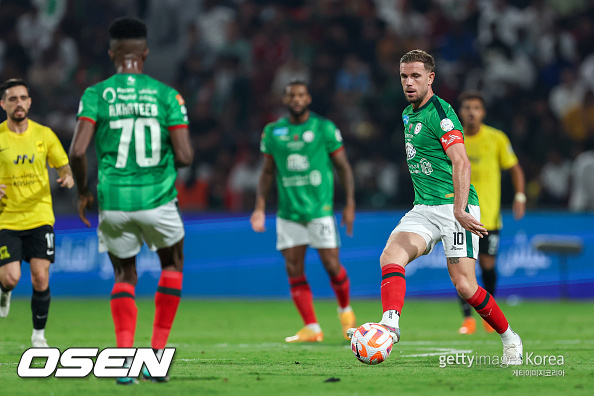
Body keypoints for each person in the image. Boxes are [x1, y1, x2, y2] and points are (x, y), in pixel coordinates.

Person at [347, 50, 523, 365]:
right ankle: (390, 325)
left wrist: (458, 209)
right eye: (404, 76)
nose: (408, 82)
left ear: (430, 78)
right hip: (424, 207)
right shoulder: (407, 113)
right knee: (391, 256)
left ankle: (510, 339)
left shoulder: (441, 114)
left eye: (416, 76)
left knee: (466, 286)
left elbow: (461, 161)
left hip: (455, 206)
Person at [69, 17, 193, 384]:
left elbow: (77, 151)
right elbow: (185, 157)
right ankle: (155, 357)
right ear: (145, 53)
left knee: (125, 274)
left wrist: (83, 191)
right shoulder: (167, 95)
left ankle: (123, 361)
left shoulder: (96, 94)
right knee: (172, 266)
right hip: (158, 198)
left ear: (112, 54)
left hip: (114, 201)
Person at [250, 80, 357, 343]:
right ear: (285, 100)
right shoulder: (273, 132)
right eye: (291, 96)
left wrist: (350, 203)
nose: (296, 99)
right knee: (293, 268)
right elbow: (266, 172)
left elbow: (343, 167)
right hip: (288, 213)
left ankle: (345, 312)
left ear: (308, 98)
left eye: (301, 95)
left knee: (332, 265)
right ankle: (311, 327)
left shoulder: (324, 128)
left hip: (319, 210)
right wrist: (260, 207)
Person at [0, 78, 74, 347]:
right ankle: (4, 290)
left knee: (40, 276)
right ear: (3, 104)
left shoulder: (44, 134)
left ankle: (39, 336)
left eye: (23, 98)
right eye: (12, 99)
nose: (19, 103)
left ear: (29, 102)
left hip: (40, 216)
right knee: (11, 277)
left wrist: (66, 177)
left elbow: (63, 164)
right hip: (6, 218)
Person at [456, 90, 526, 335]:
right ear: (460, 112)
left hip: (489, 218)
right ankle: (468, 320)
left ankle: (488, 315)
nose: (472, 112)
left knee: (487, 267)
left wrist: (520, 195)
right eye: (467, 107)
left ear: (483, 112)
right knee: (463, 269)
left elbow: (515, 168)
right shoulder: (453, 139)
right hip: (460, 216)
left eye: (476, 107)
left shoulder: (496, 138)